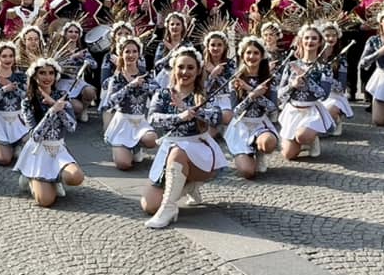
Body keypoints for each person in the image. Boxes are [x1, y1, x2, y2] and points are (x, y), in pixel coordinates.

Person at [142, 47, 225, 229]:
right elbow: (153, 118)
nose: (185, 72)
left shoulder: (204, 95)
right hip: (170, 149)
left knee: (178, 153)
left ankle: (169, 208)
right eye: (181, 67)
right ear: (173, 69)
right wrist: (178, 116)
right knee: (149, 205)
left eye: (190, 68)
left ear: (197, 71)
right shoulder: (163, 94)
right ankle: (189, 187)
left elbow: (218, 117)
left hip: (199, 149)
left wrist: (195, 112)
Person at [15, 56, 85, 207]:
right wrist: (52, 111)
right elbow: (35, 135)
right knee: (46, 201)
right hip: (38, 151)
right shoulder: (28, 101)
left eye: (51, 73)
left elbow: (72, 127)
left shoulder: (62, 96)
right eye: (42, 73)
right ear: (35, 76)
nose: (47, 77)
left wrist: (56, 106)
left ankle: (55, 178)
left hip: (58, 148)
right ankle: (30, 177)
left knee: (76, 177)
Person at [277, 25, 334, 159]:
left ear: (320, 42)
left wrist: (307, 80)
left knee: (302, 136)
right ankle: (300, 141)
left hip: (312, 111)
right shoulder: (291, 65)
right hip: (293, 110)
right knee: (288, 155)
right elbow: (279, 94)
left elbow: (324, 95)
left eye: (314, 38)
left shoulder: (325, 68)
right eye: (307, 38)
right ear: (301, 40)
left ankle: (311, 139)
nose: (310, 41)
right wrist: (292, 85)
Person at [224, 37, 278, 179]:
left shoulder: (270, 78)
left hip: (260, 123)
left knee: (268, 143)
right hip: (241, 126)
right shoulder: (235, 80)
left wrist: (251, 91)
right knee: (248, 172)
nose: (252, 57)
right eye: (248, 53)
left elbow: (273, 108)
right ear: (242, 55)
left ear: (261, 56)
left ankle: (259, 152)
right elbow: (235, 111)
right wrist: (251, 95)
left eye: (256, 53)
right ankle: (244, 153)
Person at [103, 36, 158, 170]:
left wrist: (143, 86)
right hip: (123, 123)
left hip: (139, 121)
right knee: (124, 164)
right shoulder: (116, 78)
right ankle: (123, 149)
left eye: (134, 51)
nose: (131, 55)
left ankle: (137, 146)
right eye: (127, 51)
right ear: (121, 54)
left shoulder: (146, 75)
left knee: (152, 140)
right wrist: (130, 86)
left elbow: (158, 92)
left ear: (139, 54)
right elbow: (109, 103)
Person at [318, 22, 354, 136]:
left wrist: (326, 77)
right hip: (316, 95)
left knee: (328, 111)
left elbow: (341, 87)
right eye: (327, 35)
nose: (331, 38)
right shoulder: (315, 57)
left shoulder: (341, 59)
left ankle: (336, 119)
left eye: (334, 35)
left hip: (334, 96)